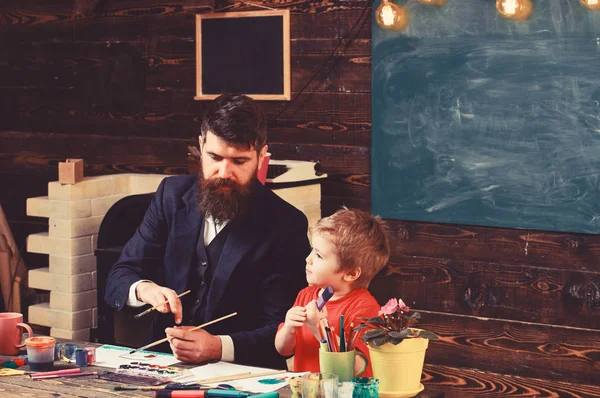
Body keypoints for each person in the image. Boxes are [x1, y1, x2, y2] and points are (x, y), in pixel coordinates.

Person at [104, 94, 311, 369]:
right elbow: (119, 276)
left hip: (243, 375)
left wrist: (218, 346)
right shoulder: (170, 195)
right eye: (214, 156)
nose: (224, 172)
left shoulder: (287, 223)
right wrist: (144, 289)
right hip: (165, 368)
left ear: (262, 157)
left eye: (239, 161)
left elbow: (283, 330)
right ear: (201, 145)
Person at [275, 207, 390, 375]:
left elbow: (358, 367)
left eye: (319, 256)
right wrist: (288, 329)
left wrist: (319, 328)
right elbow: (283, 350)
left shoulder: (365, 309)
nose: (308, 259)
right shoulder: (306, 295)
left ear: (350, 273)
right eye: (311, 251)